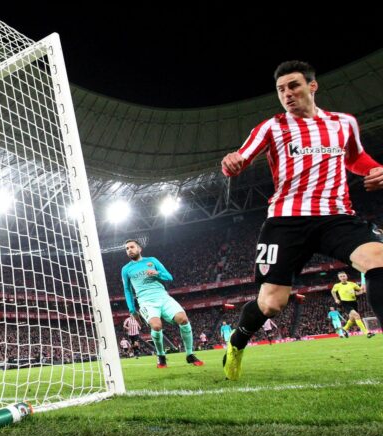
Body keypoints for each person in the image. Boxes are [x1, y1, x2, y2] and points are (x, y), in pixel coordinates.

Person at [220, 60, 383, 380]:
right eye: (281, 89)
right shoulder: (271, 127)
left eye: (293, 86)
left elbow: (355, 159)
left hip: (335, 216)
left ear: (312, 86)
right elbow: (239, 159)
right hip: (286, 222)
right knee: (271, 304)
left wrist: (376, 169)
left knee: (378, 259)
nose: (287, 94)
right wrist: (231, 163)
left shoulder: (343, 123)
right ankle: (237, 343)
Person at [121, 239, 204, 368]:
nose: (129, 250)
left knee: (183, 319)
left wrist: (157, 273)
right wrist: (132, 310)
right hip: (146, 302)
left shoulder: (152, 261)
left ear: (139, 249)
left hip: (163, 297)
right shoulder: (126, 269)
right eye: (127, 248)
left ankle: (189, 354)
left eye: (132, 247)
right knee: (156, 326)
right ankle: (161, 356)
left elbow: (169, 277)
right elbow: (127, 290)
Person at [331, 271, 374, 338]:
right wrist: (336, 299)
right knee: (357, 315)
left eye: (344, 276)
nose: (343, 277)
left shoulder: (352, 284)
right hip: (345, 302)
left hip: (354, 302)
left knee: (352, 319)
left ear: (346, 276)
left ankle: (344, 329)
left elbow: (360, 291)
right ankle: (367, 332)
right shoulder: (337, 285)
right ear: (339, 278)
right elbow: (333, 292)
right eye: (341, 276)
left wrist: (362, 289)